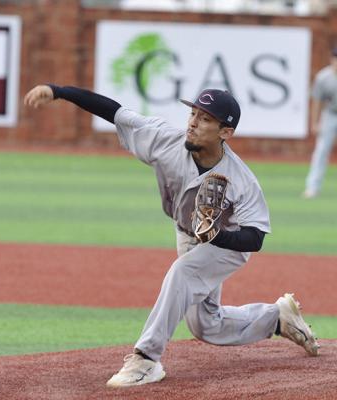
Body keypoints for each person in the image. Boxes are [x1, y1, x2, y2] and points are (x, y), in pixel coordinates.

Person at [24, 84, 319, 387]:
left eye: (205, 119)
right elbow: (115, 113)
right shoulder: (165, 139)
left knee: (182, 273)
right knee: (207, 326)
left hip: (229, 242)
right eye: (193, 113)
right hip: (187, 233)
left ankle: (146, 359)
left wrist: (216, 236)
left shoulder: (240, 179)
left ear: (225, 132)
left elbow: (255, 237)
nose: (192, 122)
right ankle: (277, 318)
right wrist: (58, 91)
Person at [303, 46, 337, 199]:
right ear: (332, 59)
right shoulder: (324, 77)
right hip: (330, 114)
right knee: (321, 150)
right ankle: (312, 187)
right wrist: (314, 122)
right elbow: (317, 101)